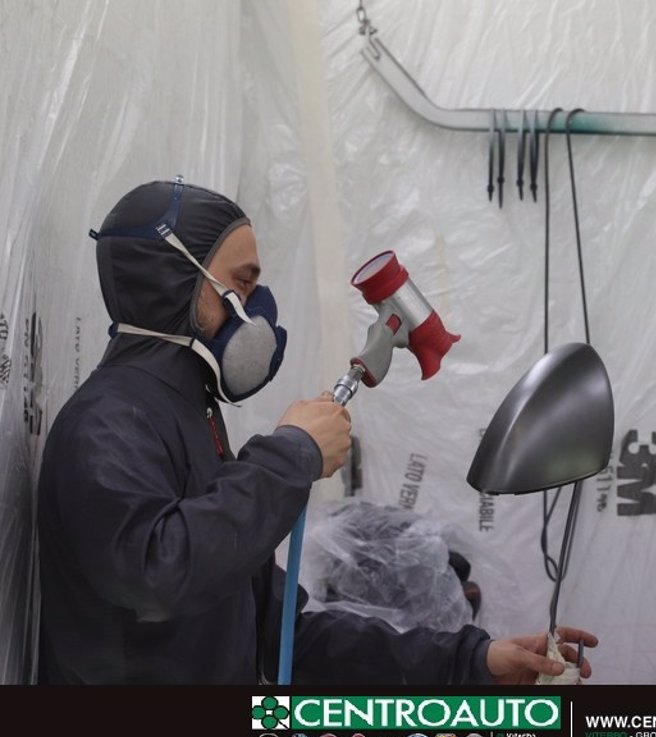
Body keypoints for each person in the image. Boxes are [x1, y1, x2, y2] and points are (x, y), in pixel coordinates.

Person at [36, 177, 597, 685]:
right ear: (173, 280)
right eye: (242, 284)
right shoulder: (108, 422)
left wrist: (473, 661)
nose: (258, 308)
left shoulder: (189, 415)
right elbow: (154, 575)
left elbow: (285, 635)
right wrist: (291, 455)